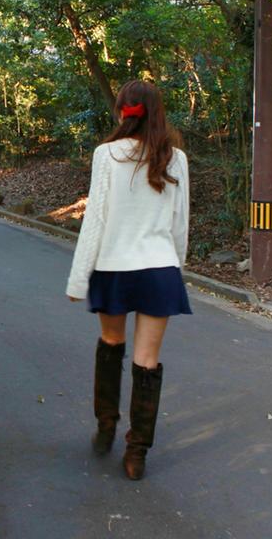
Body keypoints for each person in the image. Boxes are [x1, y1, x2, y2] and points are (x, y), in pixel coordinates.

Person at [66, 80, 191, 480]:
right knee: (147, 362)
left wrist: (77, 277)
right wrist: (177, 268)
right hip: (159, 270)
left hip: (113, 268)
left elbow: (96, 220)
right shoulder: (177, 159)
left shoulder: (106, 155)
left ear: (123, 112)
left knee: (111, 345)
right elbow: (180, 224)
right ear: (158, 113)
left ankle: (106, 427)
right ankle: (136, 454)